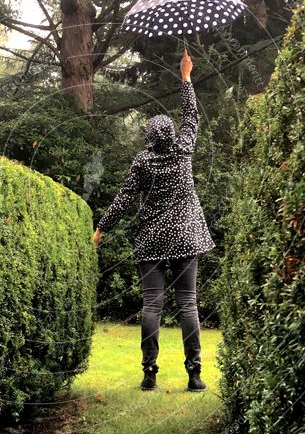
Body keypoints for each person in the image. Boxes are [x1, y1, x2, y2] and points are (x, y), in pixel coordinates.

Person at [92, 49, 216, 392]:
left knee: (152, 306)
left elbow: (125, 198)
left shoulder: (142, 162)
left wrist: (102, 227)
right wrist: (186, 77)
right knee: (188, 305)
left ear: (148, 136)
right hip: (187, 236)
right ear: (171, 134)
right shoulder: (184, 149)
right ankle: (194, 376)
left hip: (152, 240)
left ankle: (149, 374)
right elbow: (191, 117)